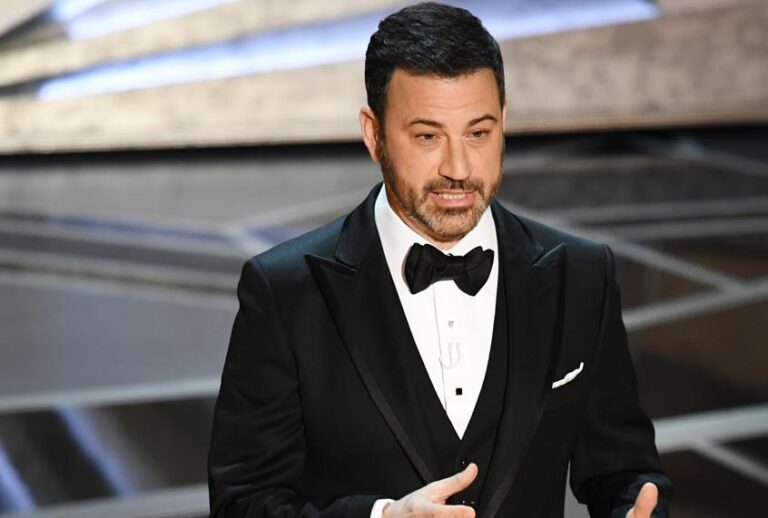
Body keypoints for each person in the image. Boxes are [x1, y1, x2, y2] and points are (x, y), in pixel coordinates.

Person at [207, 3, 671, 517]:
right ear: (374, 134)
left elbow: (623, 472)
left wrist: (635, 506)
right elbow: (243, 504)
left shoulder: (580, 276)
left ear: (504, 123)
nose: (458, 168)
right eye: (428, 136)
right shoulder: (285, 291)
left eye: (479, 133)